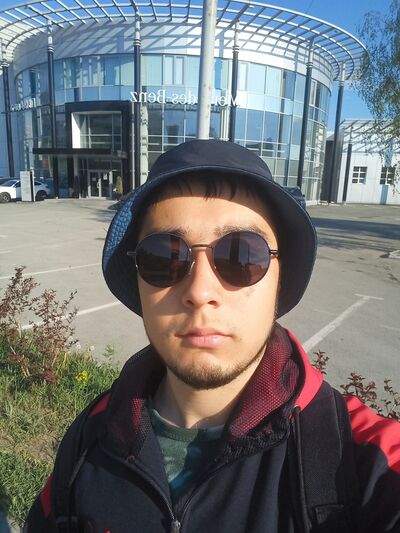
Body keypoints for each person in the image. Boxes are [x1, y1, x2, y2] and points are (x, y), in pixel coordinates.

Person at [26, 140, 400, 533]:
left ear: (280, 278)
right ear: (138, 281)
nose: (200, 291)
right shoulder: (90, 438)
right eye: (163, 257)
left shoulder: (363, 461)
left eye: (242, 254)